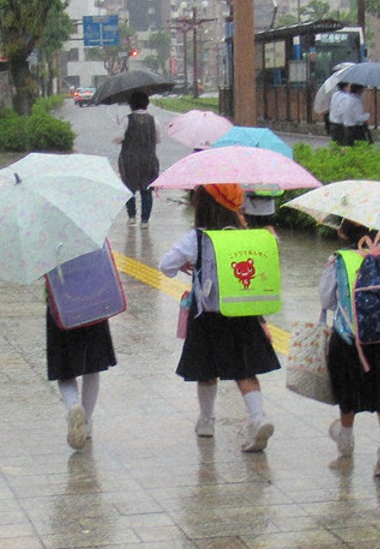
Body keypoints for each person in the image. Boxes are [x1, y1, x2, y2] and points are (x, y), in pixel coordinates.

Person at [159, 184, 280, 452]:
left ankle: (206, 421)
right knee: (244, 370)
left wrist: (186, 264)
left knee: (206, 369)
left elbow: (165, 266)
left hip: (208, 316)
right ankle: (258, 417)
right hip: (242, 312)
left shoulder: (197, 238)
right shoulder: (245, 235)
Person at [320, 220, 380, 477]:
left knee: (346, 389)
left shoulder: (340, 260)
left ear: (344, 231)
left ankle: (346, 439)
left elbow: (326, 298)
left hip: (347, 338)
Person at [45, 291, 117, 451]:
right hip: (94, 306)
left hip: (62, 308)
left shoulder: (49, 263)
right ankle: (86, 421)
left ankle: (73, 406)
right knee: (93, 368)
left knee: (64, 371)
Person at [115, 90, 160, 229]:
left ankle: (132, 216)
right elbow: (158, 139)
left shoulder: (126, 120)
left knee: (129, 188)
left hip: (129, 159)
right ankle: (145, 220)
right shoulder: (154, 120)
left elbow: (118, 139)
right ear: (147, 103)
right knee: (147, 190)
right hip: (149, 158)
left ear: (131, 105)